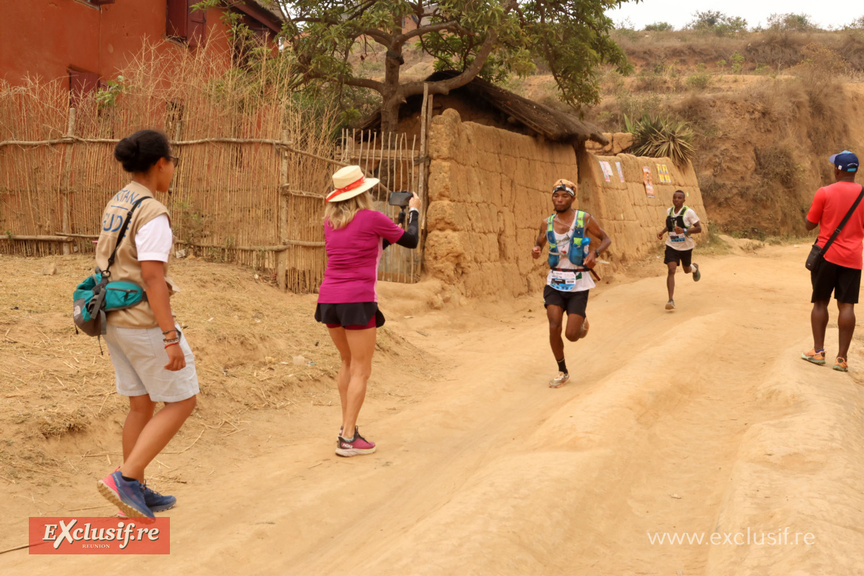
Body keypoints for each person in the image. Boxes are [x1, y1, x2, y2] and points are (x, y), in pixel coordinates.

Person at [95, 130, 199, 518]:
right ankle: (126, 476)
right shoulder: (152, 211)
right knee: (183, 399)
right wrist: (170, 336)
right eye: (173, 162)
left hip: (114, 319)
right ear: (161, 163)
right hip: (142, 321)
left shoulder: (118, 200)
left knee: (140, 405)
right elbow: (153, 278)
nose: (173, 170)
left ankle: (132, 492)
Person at [315, 165, 421, 456]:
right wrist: (413, 213)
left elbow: (379, 242)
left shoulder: (330, 223)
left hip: (329, 300)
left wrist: (397, 219)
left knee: (347, 362)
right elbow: (410, 240)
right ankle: (348, 437)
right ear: (363, 192)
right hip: (358, 300)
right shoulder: (372, 218)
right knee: (362, 369)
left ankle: (346, 427)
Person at [531, 179, 611, 388]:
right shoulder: (547, 222)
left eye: (564, 196)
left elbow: (605, 239)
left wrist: (595, 252)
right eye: (556, 196)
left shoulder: (584, 219)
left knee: (572, 335)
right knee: (554, 324)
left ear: (572, 198)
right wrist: (536, 249)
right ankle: (562, 370)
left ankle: (582, 322)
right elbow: (539, 241)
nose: (559, 200)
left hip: (578, 283)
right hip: (555, 281)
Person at [802, 150, 864, 372]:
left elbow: (810, 224)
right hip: (853, 258)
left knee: (820, 302)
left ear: (838, 170)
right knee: (847, 305)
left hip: (827, 257)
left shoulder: (824, 192)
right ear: (855, 170)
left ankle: (818, 352)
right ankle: (841, 359)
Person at [657, 189, 702, 310]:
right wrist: (662, 231)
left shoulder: (689, 212)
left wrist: (685, 230)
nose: (676, 200)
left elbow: (699, 228)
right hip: (672, 245)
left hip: (686, 247)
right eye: (674, 197)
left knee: (686, 269)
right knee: (671, 269)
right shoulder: (669, 211)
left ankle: (694, 268)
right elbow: (670, 225)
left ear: (683, 200)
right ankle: (670, 300)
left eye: (679, 198)